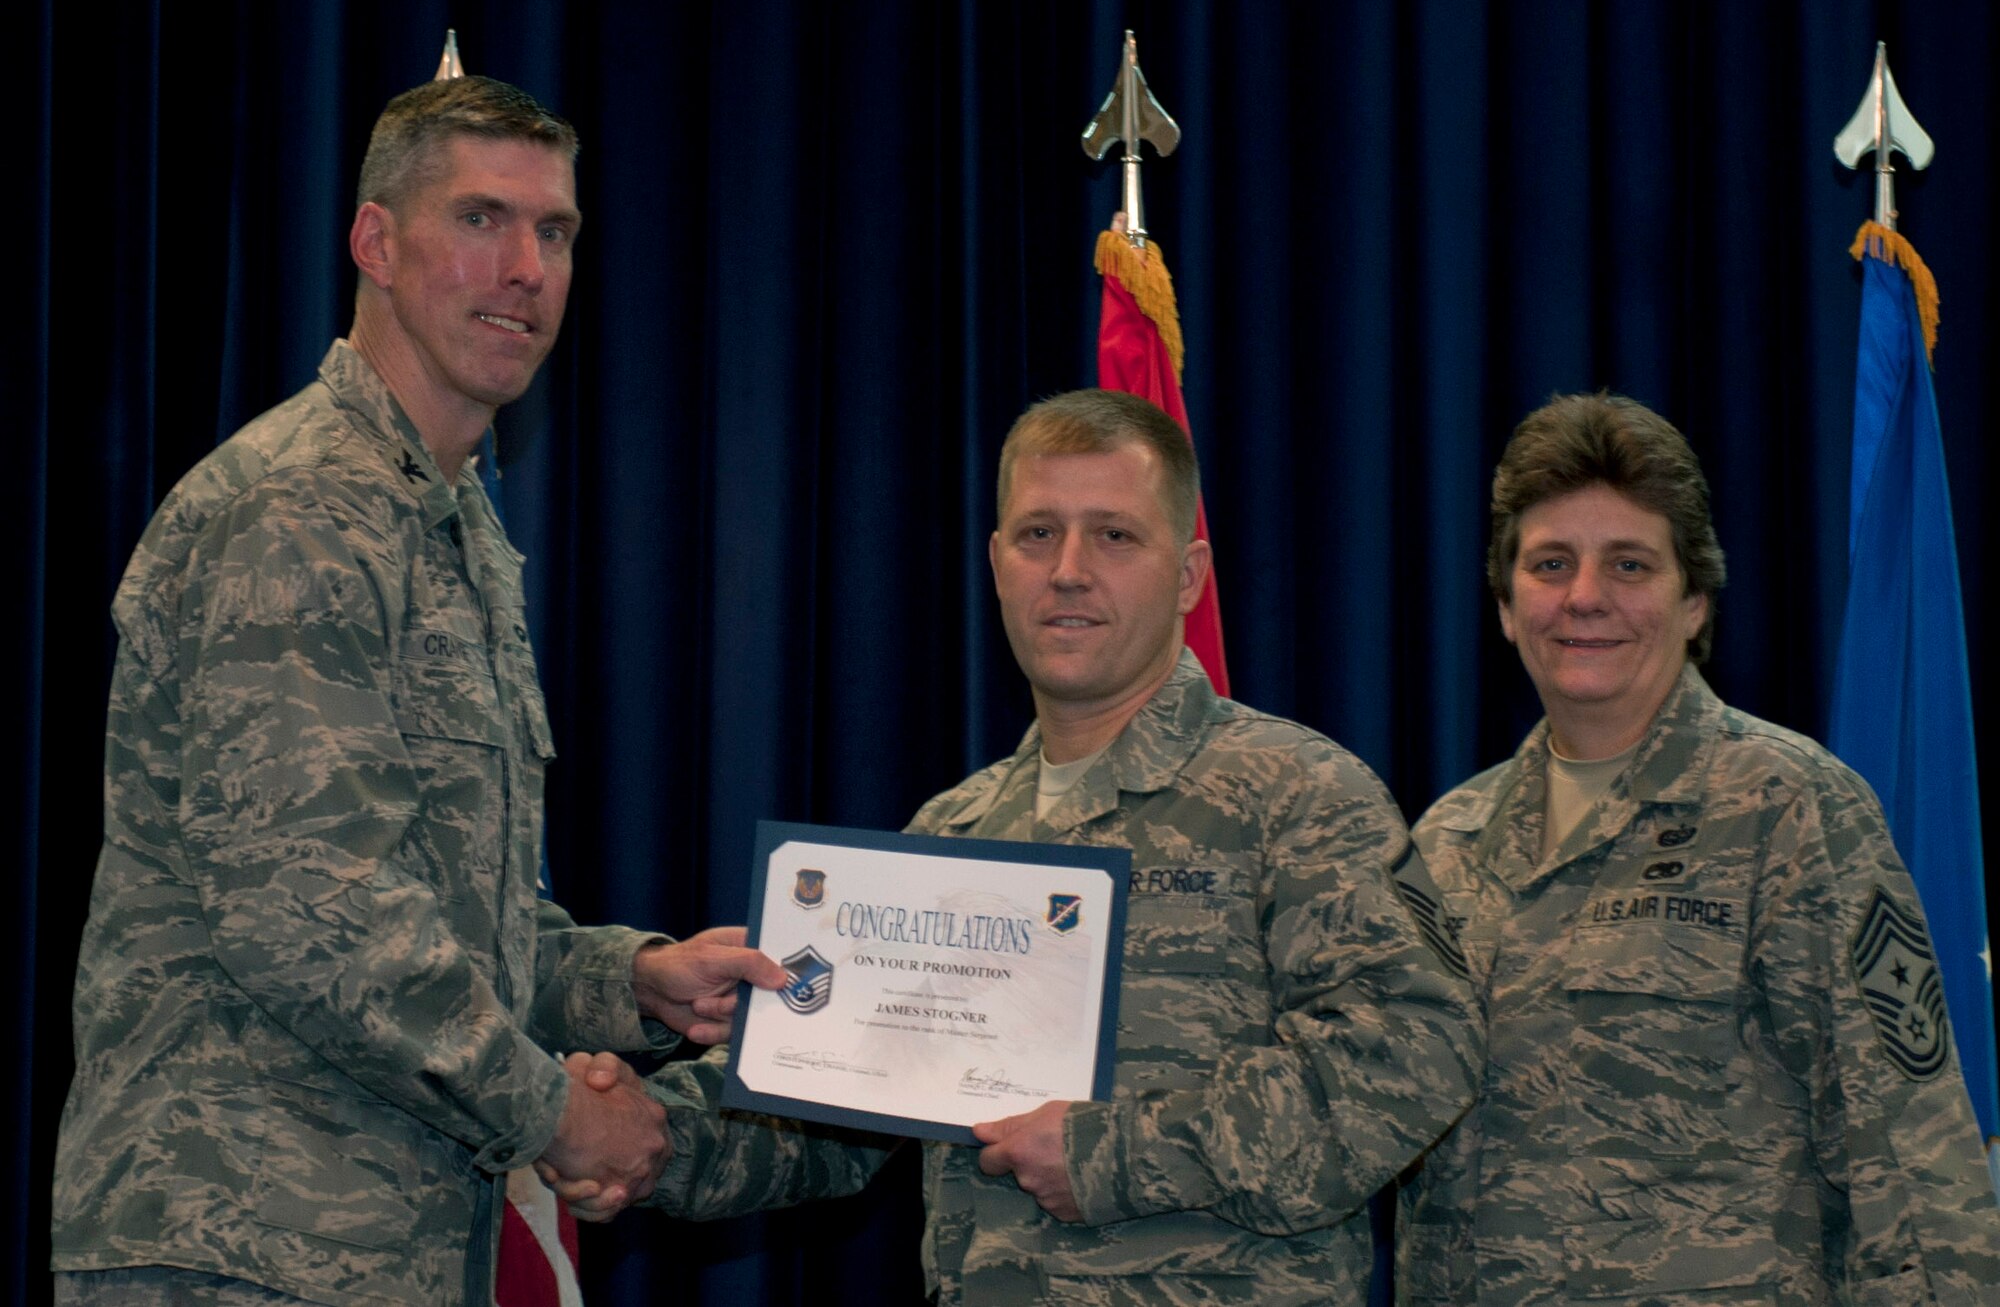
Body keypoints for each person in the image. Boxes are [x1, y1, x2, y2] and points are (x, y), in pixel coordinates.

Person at [49, 75, 785, 1306]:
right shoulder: (298, 508)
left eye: (554, 233)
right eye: (482, 220)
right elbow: (315, 908)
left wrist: (634, 980)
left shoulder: (451, 530)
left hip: (373, 1249)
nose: (526, 270)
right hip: (240, 1239)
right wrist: (555, 1109)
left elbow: (451, 913)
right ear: (376, 243)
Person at [560, 388, 1482, 1303]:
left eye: (1115, 535)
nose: (1070, 569)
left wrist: (1115, 1154)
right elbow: (836, 1106)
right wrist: (650, 1133)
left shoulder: (1297, 795)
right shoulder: (954, 833)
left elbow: (1411, 1054)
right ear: (998, 563)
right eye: (1039, 534)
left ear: (1191, 573)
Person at [1396, 393, 2000, 1303]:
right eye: (1550, 564)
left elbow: (1913, 1163)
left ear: (1694, 604)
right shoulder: (1444, 843)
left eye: (1630, 564)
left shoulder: (1792, 809)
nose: (1585, 597)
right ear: (1508, 607)